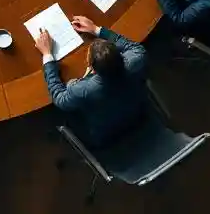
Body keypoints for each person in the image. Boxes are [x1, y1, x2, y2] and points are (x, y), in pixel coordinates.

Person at [33, 16, 148, 148]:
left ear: (92, 68)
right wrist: (95, 29)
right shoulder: (137, 58)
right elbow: (129, 45)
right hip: (139, 113)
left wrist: (47, 54)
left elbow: (59, 98)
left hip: (107, 138)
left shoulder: (83, 89)